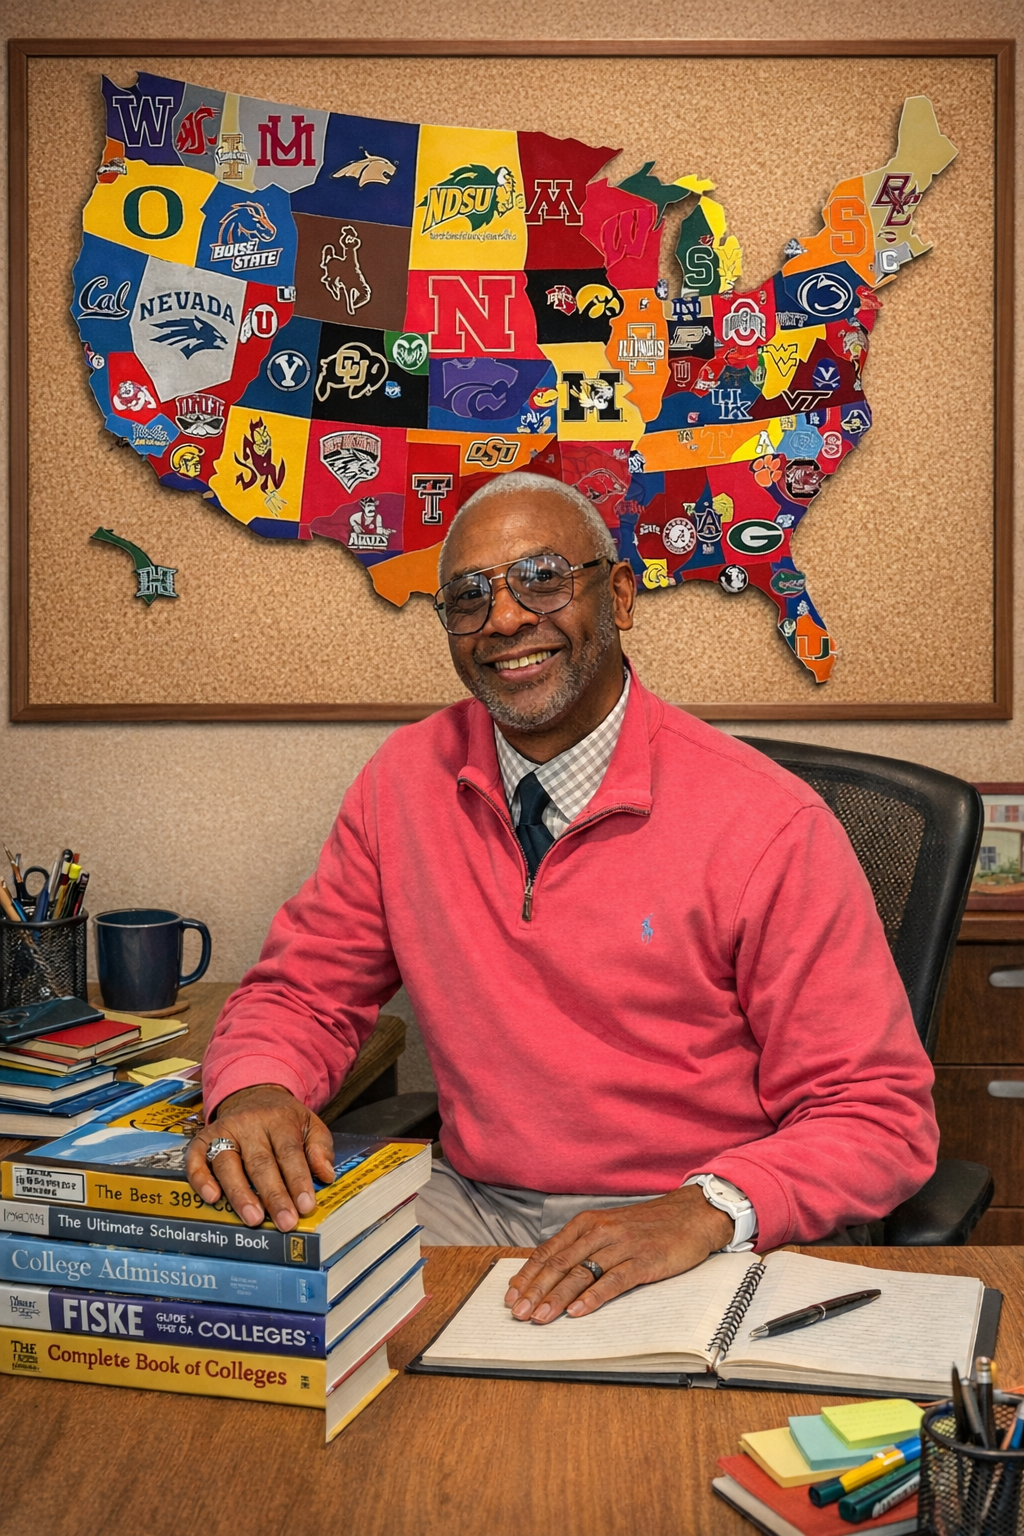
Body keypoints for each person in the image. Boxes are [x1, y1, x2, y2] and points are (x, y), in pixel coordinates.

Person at [188, 472, 939, 1327]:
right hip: (467, 1211)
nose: (503, 619)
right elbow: (303, 993)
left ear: (619, 594)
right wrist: (252, 1088)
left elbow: (878, 1114)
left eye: (542, 578)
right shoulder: (400, 785)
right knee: (234, 1308)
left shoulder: (768, 823)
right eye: (468, 597)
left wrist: (705, 1211)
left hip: (688, 1227)